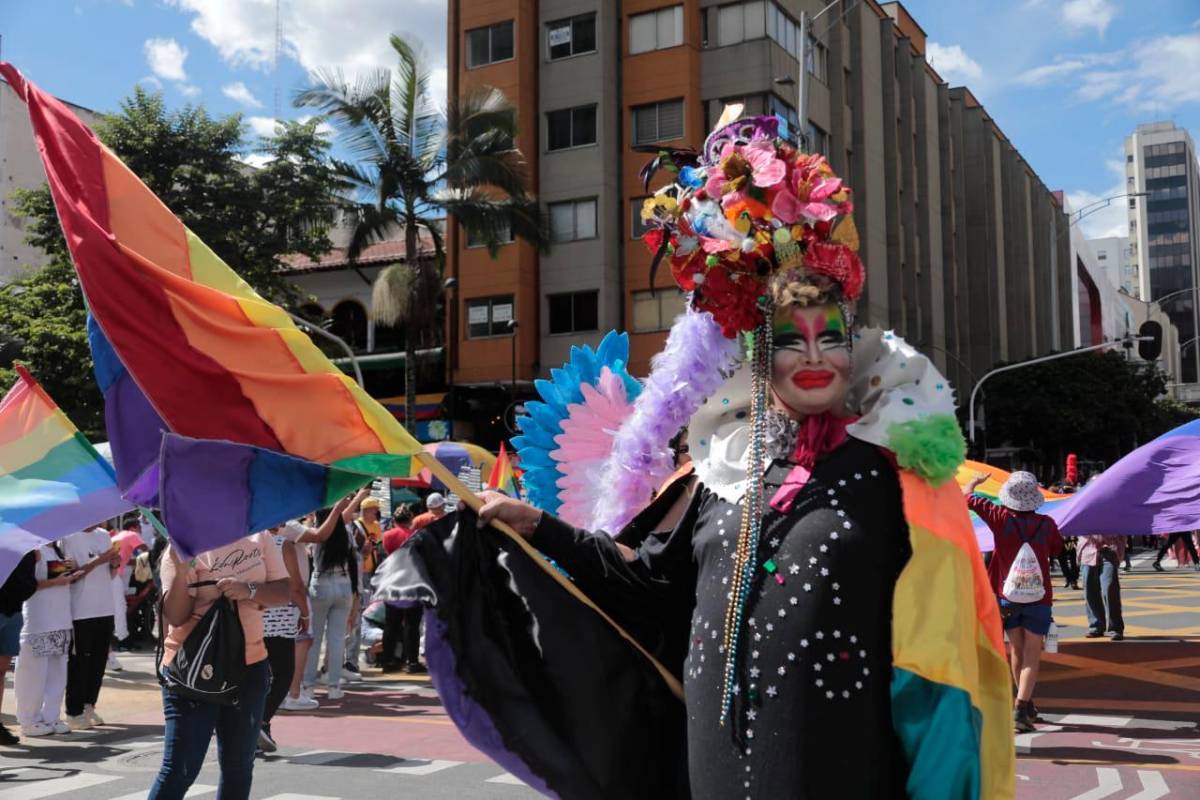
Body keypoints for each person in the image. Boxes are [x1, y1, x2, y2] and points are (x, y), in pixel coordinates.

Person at [378, 113, 1015, 798]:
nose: (811, 356)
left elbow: (944, 668)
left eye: (828, 338)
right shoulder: (722, 473)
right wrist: (537, 526)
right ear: (759, 357)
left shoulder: (897, 477)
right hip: (713, 771)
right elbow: (648, 586)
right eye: (789, 340)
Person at [148, 532, 291, 799]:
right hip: (190, 671)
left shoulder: (260, 537)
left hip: (250, 666)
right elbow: (176, 617)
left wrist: (248, 590)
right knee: (180, 770)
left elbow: (283, 591)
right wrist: (181, 573)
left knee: (239, 767)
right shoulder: (182, 546)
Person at [964, 471, 1064, 734]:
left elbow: (967, 498)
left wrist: (974, 483)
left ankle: (1024, 704)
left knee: (1016, 651)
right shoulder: (1047, 523)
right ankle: (1021, 708)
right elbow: (1057, 549)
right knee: (1032, 653)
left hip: (1006, 597)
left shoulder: (1000, 517)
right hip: (1039, 598)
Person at [15, 543, 78, 737]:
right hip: (37, 621)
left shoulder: (58, 549)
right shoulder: (30, 551)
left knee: (57, 671)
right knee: (33, 673)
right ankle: (28, 720)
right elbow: (26, 584)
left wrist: (72, 569)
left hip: (60, 620)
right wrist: (56, 582)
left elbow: (65, 574)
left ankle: (51, 716)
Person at [61, 526, 121, 729]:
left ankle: (89, 705)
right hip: (80, 610)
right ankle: (74, 711)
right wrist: (98, 561)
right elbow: (70, 575)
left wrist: (113, 564)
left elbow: (110, 575)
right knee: (79, 662)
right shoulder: (68, 537)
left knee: (98, 661)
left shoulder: (104, 535)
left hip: (104, 607)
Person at [257, 524, 310, 753]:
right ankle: (260, 722)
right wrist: (305, 612)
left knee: (257, 677)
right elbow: (295, 586)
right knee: (283, 674)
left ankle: (258, 726)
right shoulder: (281, 544)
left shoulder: (247, 543)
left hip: (252, 616)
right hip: (279, 618)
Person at [302, 508, 359, 701]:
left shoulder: (315, 533)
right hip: (344, 584)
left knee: (314, 638)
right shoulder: (347, 534)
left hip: (320, 583)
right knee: (337, 639)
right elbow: (353, 563)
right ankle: (334, 686)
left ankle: (308, 686)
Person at [0, 550, 38, 745]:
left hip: (13, 609)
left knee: (1, 671)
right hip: (8, 608)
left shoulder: (23, 542)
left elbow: (28, 581)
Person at [379, 506, 423, 673]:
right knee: (412, 624)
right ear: (410, 519)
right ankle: (412, 661)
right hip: (412, 580)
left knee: (391, 624)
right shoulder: (417, 535)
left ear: (395, 520)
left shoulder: (388, 535)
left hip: (392, 579)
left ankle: (388, 660)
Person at [1077, 535, 1125, 641]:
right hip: (1088, 550)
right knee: (1090, 591)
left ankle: (1115, 628)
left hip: (1110, 549)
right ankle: (1096, 626)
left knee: (1109, 588)